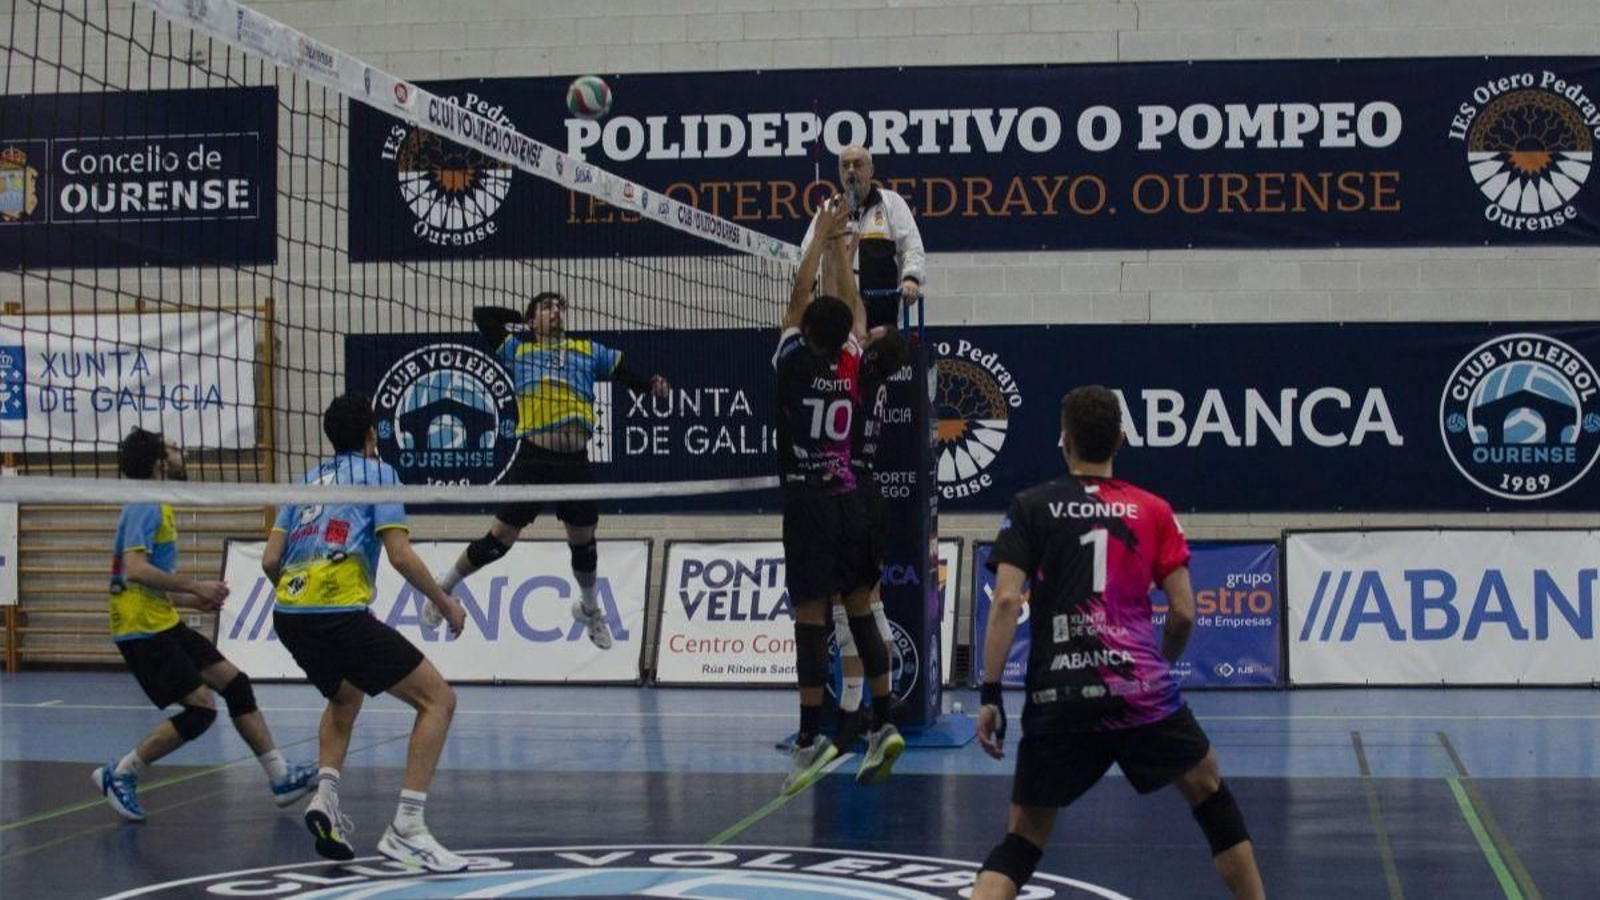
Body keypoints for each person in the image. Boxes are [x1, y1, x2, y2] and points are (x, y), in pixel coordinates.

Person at [972, 386, 1265, 900]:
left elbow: (1004, 602)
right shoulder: (1153, 510)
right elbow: (1183, 612)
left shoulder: (1030, 506)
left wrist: (991, 695)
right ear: (1121, 440)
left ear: (1063, 440)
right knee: (1208, 790)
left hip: (1058, 698)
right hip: (1141, 695)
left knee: (1022, 836)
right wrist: (1159, 667)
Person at [262, 393, 470, 872]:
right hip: (338, 614)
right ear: (372, 434)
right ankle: (408, 829)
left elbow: (272, 560)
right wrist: (445, 602)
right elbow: (398, 554)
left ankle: (327, 797)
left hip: (289, 613)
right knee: (438, 700)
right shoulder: (379, 474)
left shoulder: (307, 481)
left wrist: (302, 599)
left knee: (344, 698)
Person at [94, 427, 316, 822]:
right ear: (160, 462)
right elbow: (135, 570)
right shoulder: (146, 504)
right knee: (201, 709)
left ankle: (281, 778)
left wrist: (192, 598)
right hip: (141, 631)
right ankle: (122, 773)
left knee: (235, 683)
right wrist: (194, 585)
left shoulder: (156, 504)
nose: (183, 453)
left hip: (159, 619)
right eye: (175, 448)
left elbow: (145, 581)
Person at [431, 291, 670, 649]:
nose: (557, 312)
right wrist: (522, 318)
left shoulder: (587, 350)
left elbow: (624, 374)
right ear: (531, 321)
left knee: (584, 543)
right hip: (534, 459)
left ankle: (589, 610)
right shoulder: (519, 350)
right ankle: (441, 589)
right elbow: (482, 315)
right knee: (499, 541)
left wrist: (651, 386)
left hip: (574, 461)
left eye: (561, 307)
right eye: (547, 308)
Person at [776, 196, 903, 794]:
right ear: (846, 336)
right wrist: (838, 249)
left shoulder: (795, 361)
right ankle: (882, 724)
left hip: (811, 503)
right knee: (861, 612)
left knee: (811, 622)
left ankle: (809, 739)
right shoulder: (856, 362)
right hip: (857, 500)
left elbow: (801, 303)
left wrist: (818, 241)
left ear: (807, 333)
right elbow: (848, 306)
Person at [822, 227, 910, 758]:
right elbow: (853, 317)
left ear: (873, 347)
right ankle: (868, 708)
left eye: (871, 333)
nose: (865, 331)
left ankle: (859, 710)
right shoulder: (878, 374)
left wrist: (838, 252)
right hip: (867, 488)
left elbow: (848, 312)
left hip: (845, 489)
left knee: (844, 610)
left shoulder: (856, 369)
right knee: (867, 605)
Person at [800, 144, 927, 329]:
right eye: (845, 165)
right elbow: (808, 255)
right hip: (837, 323)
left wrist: (911, 279)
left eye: (858, 164)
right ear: (839, 172)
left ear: (871, 170)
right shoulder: (827, 211)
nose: (851, 170)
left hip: (882, 320)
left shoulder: (892, 204)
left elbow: (912, 247)